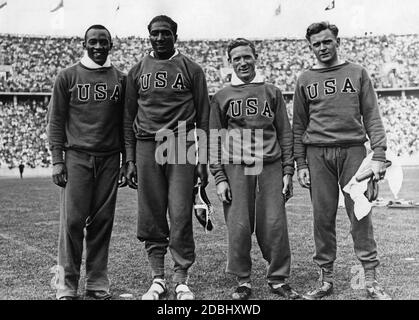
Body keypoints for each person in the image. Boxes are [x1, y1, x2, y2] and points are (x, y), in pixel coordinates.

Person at [292, 21, 391, 300]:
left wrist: (379, 155)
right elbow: (298, 124)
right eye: (316, 44)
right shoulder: (304, 78)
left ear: (337, 41)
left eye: (326, 41)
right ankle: (326, 280)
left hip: (353, 152)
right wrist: (300, 163)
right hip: (317, 154)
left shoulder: (357, 72)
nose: (322, 48)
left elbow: (372, 115)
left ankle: (369, 280)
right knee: (322, 218)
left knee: (360, 214)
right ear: (310, 47)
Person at [123, 15, 210, 300]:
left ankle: (182, 278)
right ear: (148, 36)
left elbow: (204, 116)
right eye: (155, 34)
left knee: (181, 212)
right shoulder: (136, 72)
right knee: (150, 214)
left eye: (165, 33)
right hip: (147, 144)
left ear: (175, 35)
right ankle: (157, 278)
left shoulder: (191, 69)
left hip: (181, 142)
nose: (160, 38)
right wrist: (131, 159)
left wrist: (203, 158)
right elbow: (128, 118)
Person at [209, 38, 299, 300]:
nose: (242, 62)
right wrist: (219, 177)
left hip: (269, 166)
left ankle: (278, 278)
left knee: (274, 225)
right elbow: (214, 137)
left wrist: (288, 171)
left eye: (246, 57)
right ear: (230, 62)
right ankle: (243, 281)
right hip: (236, 167)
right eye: (236, 58)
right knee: (238, 225)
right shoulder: (222, 96)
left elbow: (285, 133)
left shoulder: (272, 92)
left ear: (255, 57)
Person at [47, 24, 126, 300]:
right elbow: (55, 120)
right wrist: (57, 160)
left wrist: (127, 160)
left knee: (102, 222)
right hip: (77, 157)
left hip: (109, 159)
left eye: (104, 41)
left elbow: (125, 125)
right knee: (71, 224)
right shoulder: (67, 76)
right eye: (93, 41)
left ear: (111, 45)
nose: (98, 46)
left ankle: (96, 283)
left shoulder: (121, 79)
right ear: (84, 43)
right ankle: (65, 285)